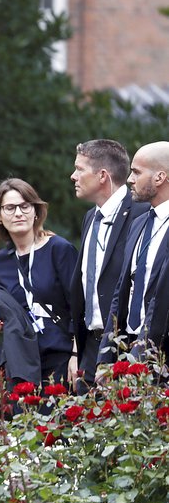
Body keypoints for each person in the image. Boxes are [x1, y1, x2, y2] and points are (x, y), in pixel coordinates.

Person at [0, 178, 78, 389]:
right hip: (20, 361)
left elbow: (81, 306)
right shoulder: (0, 262)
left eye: (25, 206)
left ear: (36, 212)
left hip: (60, 356)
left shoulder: (58, 250)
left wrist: (76, 354)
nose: (18, 213)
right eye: (10, 208)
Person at [68, 139, 147, 388]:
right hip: (89, 347)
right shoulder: (90, 217)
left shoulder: (142, 213)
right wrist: (75, 350)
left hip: (126, 346)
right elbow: (86, 285)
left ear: (102, 175)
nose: (73, 176)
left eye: (80, 169)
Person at [98, 141, 169, 365]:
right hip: (126, 348)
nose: (129, 179)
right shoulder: (138, 223)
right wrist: (105, 357)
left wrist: (145, 349)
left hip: (161, 354)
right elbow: (121, 291)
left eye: (136, 172)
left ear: (159, 177)